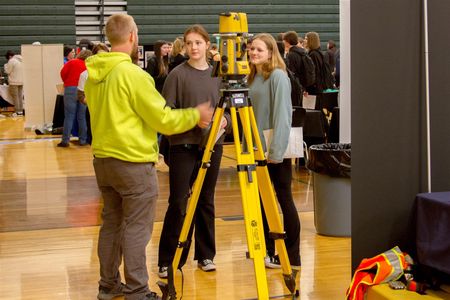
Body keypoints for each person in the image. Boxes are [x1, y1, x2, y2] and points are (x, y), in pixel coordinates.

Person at [84, 14, 213, 300]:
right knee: (136, 229)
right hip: (132, 162)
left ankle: (108, 285)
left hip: (103, 161)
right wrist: (196, 115)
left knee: (111, 224)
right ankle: (138, 290)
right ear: (132, 36)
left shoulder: (92, 76)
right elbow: (163, 119)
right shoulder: (133, 75)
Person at [157, 24, 230, 279]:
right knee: (178, 202)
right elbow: (166, 113)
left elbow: (228, 109)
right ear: (184, 46)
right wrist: (193, 119)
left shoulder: (219, 75)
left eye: (198, 42)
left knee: (205, 201)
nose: (194, 47)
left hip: (213, 146)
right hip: (182, 146)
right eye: (189, 43)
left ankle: (205, 254)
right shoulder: (177, 75)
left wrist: (225, 122)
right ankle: (168, 259)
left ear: (208, 46)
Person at [247, 33, 301, 269]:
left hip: (273, 151)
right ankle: (268, 251)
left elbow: (283, 115)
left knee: (283, 199)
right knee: (259, 200)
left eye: (259, 50)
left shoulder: (278, 76)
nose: (254, 53)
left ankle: (291, 254)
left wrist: (276, 152)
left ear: (271, 53)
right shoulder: (252, 77)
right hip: (256, 149)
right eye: (251, 49)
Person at [58, 49, 92, 147]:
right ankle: (83, 140)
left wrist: (67, 81)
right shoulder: (89, 65)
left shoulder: (71, 62)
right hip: (83, 90)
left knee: (69, 116)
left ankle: (65, 141)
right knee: (81, 117)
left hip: (70, 89)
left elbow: (63, 73)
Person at [77, 43, 109, 144]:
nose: (102, 58)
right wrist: (93, 102)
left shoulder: (114, 72)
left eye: (105, 55)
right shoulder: (85, 74)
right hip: (93, 112)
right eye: (99, 54)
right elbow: (81, 96)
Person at [4, 50, 24, 115]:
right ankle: (21, 110)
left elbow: (7, 71)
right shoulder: (21, 59)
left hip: (14, 82)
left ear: (9, 56)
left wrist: (5, 65)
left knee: (15, 97)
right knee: (20, 96)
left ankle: (17, 111)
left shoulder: (11, 61)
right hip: (21, 81)